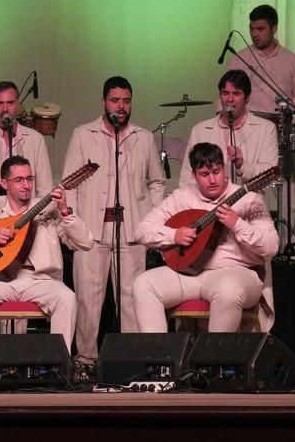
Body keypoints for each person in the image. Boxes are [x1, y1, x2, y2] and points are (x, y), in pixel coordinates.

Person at [62, 76, 165, 373]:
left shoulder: (142, 137)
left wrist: (152, 216)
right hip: (92, 232)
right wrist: (73, 225)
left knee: (132, 300)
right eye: (115, 100)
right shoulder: (83, 135)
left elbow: (157, 181)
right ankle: (85, 361)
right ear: (104, 101)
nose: (121, 107)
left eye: (126, 101)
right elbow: (69, 183)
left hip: (130, 231)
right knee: (87, 302)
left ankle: (132, 360)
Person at [0, 156, 92, 352]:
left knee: (66, 298)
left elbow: (85, 243)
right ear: (4, 183)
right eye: (19, 180)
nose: (26, 185)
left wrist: (65, 211)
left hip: (40, 279)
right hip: (0, 279)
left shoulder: (49, 208)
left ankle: (60, 365)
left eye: (29, 179)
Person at [133, 142, 279, 333]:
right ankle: (160, 359)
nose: (212, 179)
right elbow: (142, 230)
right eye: (204, 174)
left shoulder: (250, 199)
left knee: (228, 290)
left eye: (216, 171)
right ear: (194, 175)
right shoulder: (182, 198)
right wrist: (173, 235)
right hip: (191, 274)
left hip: (238, 273)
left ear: (224, 169)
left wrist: (237, 224)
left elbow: (271, 246)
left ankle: (214, 360)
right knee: (144, 284)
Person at [226, 4, 295, 254]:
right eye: (251, 28)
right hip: (250, 135)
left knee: (288, 195)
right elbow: (227, 100)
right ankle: (243, 250)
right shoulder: (240, 59)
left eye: (260, 29)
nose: (254, 34)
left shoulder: (291, 61)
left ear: (274, 28)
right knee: (247, 194)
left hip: (283, 134)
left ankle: (289, 249)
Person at [179, 70, 278, 187]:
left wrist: (243, 165)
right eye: (225, 93)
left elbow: (270, 173)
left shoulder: (265, 129)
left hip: (248, 201)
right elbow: (187, 178)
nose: (229, 99)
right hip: (207, 203)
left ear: (247, 98)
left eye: (236, 94)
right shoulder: (200, 130)